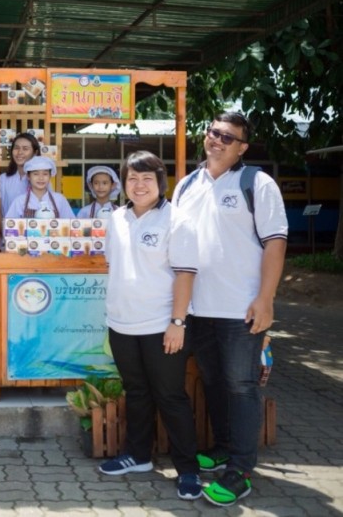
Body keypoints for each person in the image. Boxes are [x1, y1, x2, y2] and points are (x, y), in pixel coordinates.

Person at [172, 112, 288, 507]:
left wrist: (266, 299)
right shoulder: (187, 185)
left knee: (241, 385)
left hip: (241, 308)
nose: (217, 140)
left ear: (242, 147)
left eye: (228, 137)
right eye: (213, 132)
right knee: (213, 380)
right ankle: (223, 447)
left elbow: (275, 243)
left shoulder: (257, 183)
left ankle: (241, 469)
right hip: (198, 308)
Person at [100, 150, 202, 501]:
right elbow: (114, 264)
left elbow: (185, 274)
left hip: (162, 325)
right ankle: (138, 455)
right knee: (137, 392)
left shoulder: (177, 220)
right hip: (121, 324)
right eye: (132, 178)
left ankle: (188, 469)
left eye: (147, 178)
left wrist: (178, 322)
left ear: (161, 182)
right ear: (124, 183)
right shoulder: (116, 218)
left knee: (170, 396)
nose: (139, 184)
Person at [4, 156, 74, 219]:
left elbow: (71, 224)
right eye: (36, 174)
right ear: (28, 176)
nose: (41, 178)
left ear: (50, 176)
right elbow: (9, 226)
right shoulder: (19, 201)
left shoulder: (59, 200)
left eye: (45, 174)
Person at [0, 132, 40, 218]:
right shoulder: (3, 179)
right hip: (8, 225)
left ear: (35, 153)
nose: (20, 152)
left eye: (25, 149)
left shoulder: (41, 180)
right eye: (16, 148)